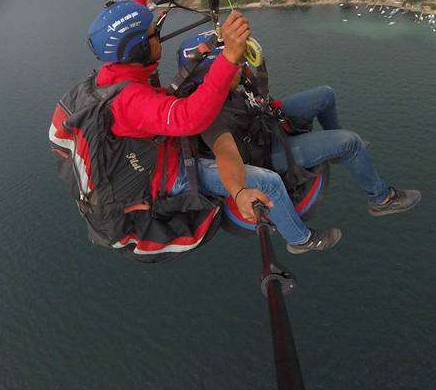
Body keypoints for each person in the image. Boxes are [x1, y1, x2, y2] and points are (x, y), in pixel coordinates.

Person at [51, 0, 331, 259]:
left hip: (146, 149)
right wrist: (228, 59)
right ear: (141, 49)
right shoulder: (131, 101)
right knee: (269, 182)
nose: (159, 34)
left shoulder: (118, 73)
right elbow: (189, 119)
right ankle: (300, 238)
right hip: (163, 177)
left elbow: (132, 34)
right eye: (154, 33)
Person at [176, 30, 420, 253]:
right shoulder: (208, 115)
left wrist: (254, 58)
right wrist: (239, 191)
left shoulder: (232, 86)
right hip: (265, 154)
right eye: (233, 65)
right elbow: (226, 154)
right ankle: (378, 201)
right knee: (350, 142)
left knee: (325, 95)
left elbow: (260, 92)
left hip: (264, 127)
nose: (239, 66)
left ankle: (338, 152)